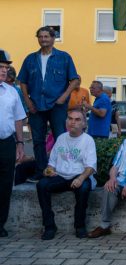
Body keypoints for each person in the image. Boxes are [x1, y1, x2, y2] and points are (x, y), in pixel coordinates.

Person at [18, 27, 79, 182]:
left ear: (53, 38)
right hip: (36, 105)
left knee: (61, 138)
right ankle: (41, 171)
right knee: (37, 140)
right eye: (40, 37)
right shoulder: (30, 59)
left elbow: (75, 80)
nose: (43, 39)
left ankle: (59, 170)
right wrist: (27, 100)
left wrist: (64, 97)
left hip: (57, 105)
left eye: (46, 36)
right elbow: (22, 81)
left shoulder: (64, 57)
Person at [35, 109, 96, 240]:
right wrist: (48, 170)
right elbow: (51, 163)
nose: (72, 122)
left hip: (79, 175)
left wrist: (80, 178)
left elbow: (90, 167)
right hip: (61, 176)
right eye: (70, 118)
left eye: (77, 119)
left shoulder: (88, 140)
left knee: (84, 187)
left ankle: (79, 226)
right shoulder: (61, 138)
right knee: (42, 185)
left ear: (84, 124)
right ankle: (49, 226)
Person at [0, 49, 26, 238]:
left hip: (6, 142)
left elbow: (18, 119)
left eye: (6, 68)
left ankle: (0, 223)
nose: (4, 71)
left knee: (5, 183)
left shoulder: (11, 92)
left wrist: (20, 143)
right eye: (1, 67)